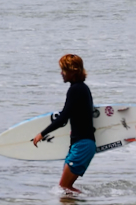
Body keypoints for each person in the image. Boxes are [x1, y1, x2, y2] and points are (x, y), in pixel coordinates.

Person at [32, 54, 95, 194]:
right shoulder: (81, 88)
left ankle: (89, 200)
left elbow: (63, 118)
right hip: (80, 144)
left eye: (64, 70)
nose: (61, 73)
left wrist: (42, 134)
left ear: (73, 71)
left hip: (82, 146)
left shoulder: (76, 89)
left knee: (64, 188)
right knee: (65, 189)